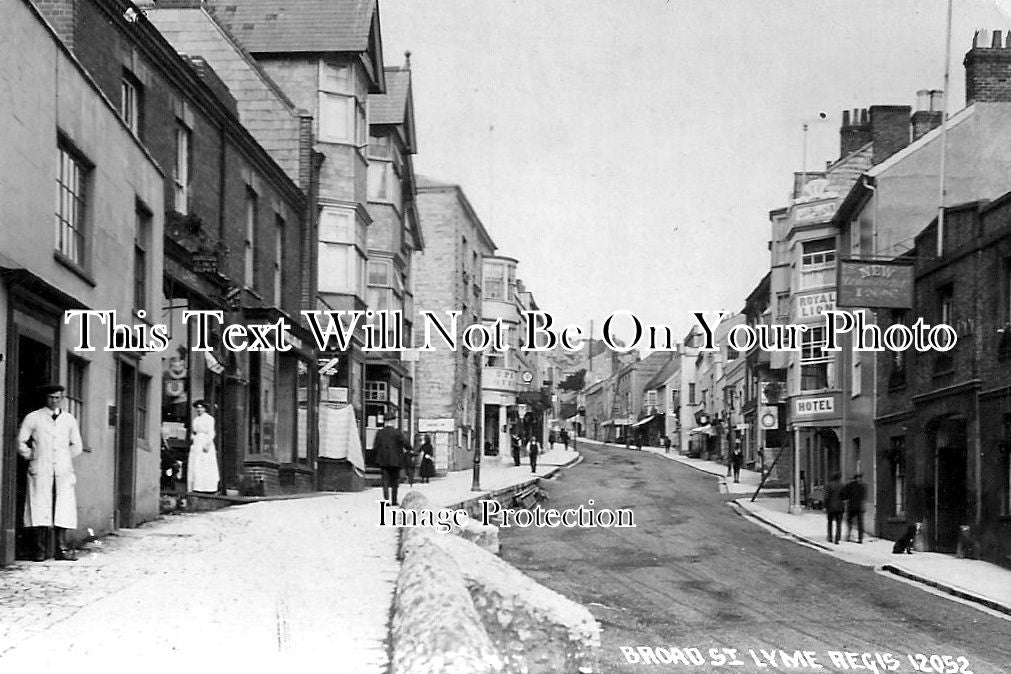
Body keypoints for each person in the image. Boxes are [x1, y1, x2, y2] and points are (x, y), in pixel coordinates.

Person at [18, 384, 83, 562]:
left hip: (62, 470)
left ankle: (61, 549)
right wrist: (32, 455)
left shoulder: (69, 419)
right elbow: (21, 441)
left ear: (62, 398)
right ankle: (39, 550)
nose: (54, 401)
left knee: (62, 507)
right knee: (38, 506)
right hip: (41, 467)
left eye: (57, 397)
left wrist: (63, 458)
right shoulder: (33, 417)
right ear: (45, 398)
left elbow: (77, 445)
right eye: (50, 397)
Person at [374, 417, 411, 505]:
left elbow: (375, 446)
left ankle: (386, 501)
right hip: (396, 461)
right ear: (392, 421)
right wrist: (409, 449)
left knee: (385, 481)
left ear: (385, 422)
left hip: (383, 461)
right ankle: (394, 501)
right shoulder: (397, 432)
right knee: (395, 481)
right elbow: (406, 444)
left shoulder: (380, 432)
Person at [187, 400, 220, 494]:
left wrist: (207, 444)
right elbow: (194, 432)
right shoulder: (196, 420)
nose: (199, 410)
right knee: (196, 464)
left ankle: (208, 487)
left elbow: (211, 432)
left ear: (205, 409)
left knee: (206, 464)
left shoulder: (209, 419)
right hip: (197, 442)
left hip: (205, 441)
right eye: (197, 408)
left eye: (201, 408)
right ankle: (197, 486)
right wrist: (193, 438)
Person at [842, 473, 867, 543]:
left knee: (849, 521)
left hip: (852, 506)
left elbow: (845, 495)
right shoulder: (863, 486)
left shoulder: (849, 485)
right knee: (860, 523)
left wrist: (846, 501)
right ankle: (860, 538)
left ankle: (849, 535)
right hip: (859, 506)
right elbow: (864, 496)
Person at [824, 472, 845, 545]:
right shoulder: (842, 485)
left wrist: (825, 506)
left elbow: (826, 497)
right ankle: (837, 539)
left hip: (830, 507)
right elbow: (844, 496)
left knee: (830, 523)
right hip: (839, 507)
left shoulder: (829, 485)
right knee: (839, 524)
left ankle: (830, 537)